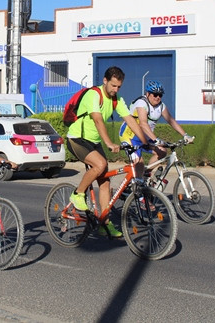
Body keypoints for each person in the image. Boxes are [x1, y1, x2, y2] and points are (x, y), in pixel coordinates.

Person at [66, 66, 148, 238]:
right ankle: (77, 194)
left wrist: (146, 142)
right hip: (77, 138)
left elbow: (131, 121)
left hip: (93, 142)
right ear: (105, 81)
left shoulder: (116, 99)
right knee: (101, 164)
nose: (115, 90)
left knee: (105, 181)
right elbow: (97, 119)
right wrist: (109, 143)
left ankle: (104, 223)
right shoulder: (93, 95)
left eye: (119, 86)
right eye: (113, 85)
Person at [119, 80, 194, 178]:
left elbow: (171, 120)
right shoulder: (141, 103)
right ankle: (134, 185)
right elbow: (143, 124)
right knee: (139, 165)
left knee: (162, 151)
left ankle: (145, 175)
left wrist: (185, 135)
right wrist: (156, 139)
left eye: (160, 95)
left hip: (145, 137)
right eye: (155, 94)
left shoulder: (161, 106)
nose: (158, 97)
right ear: (147, 94)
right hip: (129, 137)